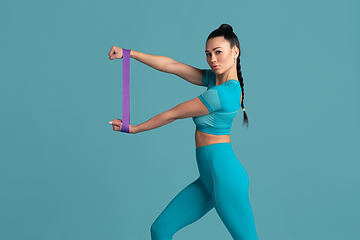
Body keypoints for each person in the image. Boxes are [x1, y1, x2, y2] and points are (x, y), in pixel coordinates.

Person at [108, 24, 259, 240]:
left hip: (226, 177)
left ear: (235, 52)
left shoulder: (225, 93)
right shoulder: (215, 80)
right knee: (160, 230)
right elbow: (172, 66)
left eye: (218, 52)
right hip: (208, 178)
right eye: (208, 54)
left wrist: (135, 129)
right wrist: (129, 54)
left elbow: (174, 113)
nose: (212, 59)